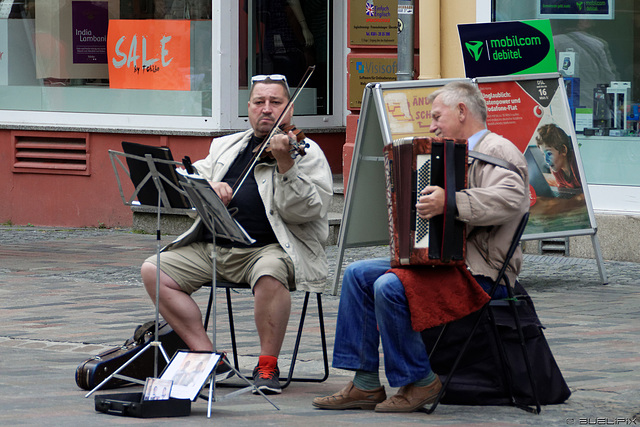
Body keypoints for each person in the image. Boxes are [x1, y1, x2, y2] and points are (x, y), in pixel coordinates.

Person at [312, 81, 529, 413]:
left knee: (390, 285)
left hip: (481, 272)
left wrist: (452, 201)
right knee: (357, 274)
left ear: (462, 111)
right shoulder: (447, 153)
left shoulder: (499, 150)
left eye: (436, 116)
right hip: (443, 263)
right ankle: (366, 383)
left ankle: (421, 380)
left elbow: (515, 199)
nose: (431, 126)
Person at [141, 74, 333, 395]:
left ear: (290, 109)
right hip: (216, 245)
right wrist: (207, 188)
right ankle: (208, 356)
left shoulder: (305, 153)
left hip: (268, 249)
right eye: (259, 102)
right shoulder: (226, 145)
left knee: (271, 273)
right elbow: (189, 181)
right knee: (154, 270)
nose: (267, 110)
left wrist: (286, 164)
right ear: (249, 107)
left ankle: (267, 365)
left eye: (275, 103)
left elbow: (307, 211)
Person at [535, 123, 581, 189]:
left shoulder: (577, 165)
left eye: (549, 154)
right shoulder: (556, 170)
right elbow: (563, 189)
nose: (546, 160)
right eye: (543, 155)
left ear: (563, 150)